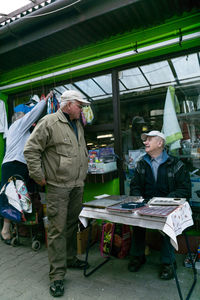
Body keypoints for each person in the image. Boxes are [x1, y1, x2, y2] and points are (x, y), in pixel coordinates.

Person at [24, 90, 90, 297]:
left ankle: (70, 259)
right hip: (58, 187)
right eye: (80, 105)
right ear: (68, 105)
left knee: (71, 226)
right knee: (56, 230)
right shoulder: (49, 122)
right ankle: (57, 276)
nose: (82, 109)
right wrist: (38, 176)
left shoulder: (77, 123)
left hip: (76, 185)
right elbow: (31, 150)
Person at [128, 130, 191, 280]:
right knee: (136, 220)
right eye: (145, 140)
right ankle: (138, 256)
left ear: (160, 143)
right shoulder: (141, 163)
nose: (145, 142)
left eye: (149, 139)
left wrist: (167, 200)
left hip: (168, 205)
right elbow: (135, 185)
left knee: (169, 224)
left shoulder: (176, 164)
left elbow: (184, 189)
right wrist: (140, 199)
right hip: (146, 204)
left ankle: (168, 263)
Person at [0, 96, 48, 244]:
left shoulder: (24, 131)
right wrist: (44, 101)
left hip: (20, 166)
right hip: (13, 165)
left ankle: (20, 229)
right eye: (25, 115)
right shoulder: (18, 125)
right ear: (20, 117)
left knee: (22, 198)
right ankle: (5, 231)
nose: (28, 119)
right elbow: (32, 115)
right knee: (12, 198)